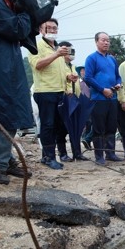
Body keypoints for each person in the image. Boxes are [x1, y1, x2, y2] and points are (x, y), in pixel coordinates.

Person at [0, 0, 33, 185]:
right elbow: (17, 29)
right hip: (2, 71)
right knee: (6, 115)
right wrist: (25, 12)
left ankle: (5, 160)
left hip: (0, 68)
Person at [29, 18, 77, 169]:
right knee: (47, 125)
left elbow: (58, 71)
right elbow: (38, 65)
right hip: (45, 91)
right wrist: (56, 54)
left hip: (59, 92)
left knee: (56, 125)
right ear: (41, 30)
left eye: (54, 28)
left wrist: (68, 77)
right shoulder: (35, 45)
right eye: (48, 28)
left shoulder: (58, 48)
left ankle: (48, 155)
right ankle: (49, 157)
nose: (52, 30)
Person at [84, 32, 124, 165]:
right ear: (96, 42)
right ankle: (99, 156)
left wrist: (118, 83)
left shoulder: (112, 59)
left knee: (111, 126)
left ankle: (110, 153)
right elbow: (88, 78)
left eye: (108, 40)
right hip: (98, 98)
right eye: (103, 40)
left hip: (112, 98)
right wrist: (102, 89)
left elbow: (117, 76)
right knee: (99, 128)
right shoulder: (91, 58)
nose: (106, 43)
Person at [57, 41, 89, 161]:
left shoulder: (72, 66)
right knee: (62, 128)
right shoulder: (58, 65)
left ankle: (77, 152)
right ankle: (63, 153)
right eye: (68, 51)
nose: (71, 53)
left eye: (72, 51)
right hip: (64, 99)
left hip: (74, 100)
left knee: (76, 128)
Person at [77, 66, 93, 150]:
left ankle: (87, 140)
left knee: (92, 122)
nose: (83, 72)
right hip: (83, 104)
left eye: (85, 70)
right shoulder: (78, 83)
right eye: (82, 71)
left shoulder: (90, 81)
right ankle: (86, 140)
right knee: (87, 123)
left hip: (92, 103)